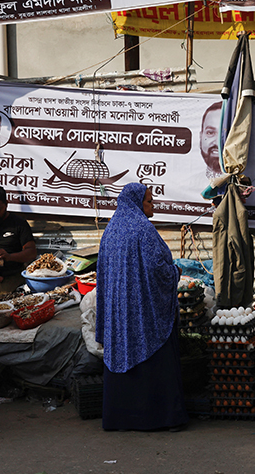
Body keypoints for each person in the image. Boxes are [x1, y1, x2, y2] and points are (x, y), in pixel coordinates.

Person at [96, 182, 188, 431]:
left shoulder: (111, 230)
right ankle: (161, 419)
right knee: (155, 357)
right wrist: (174, 271)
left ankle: (121, 419)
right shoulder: (143, 229)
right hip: (144, 312)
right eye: (149, 201)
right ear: (136, 202)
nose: (153, 204)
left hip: (119, 313)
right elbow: (158, 270)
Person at [200, 103, 222, 180]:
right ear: (201, 136)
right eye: (210, 133)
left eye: (225, 134)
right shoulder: (188, 182)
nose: (217, 142)